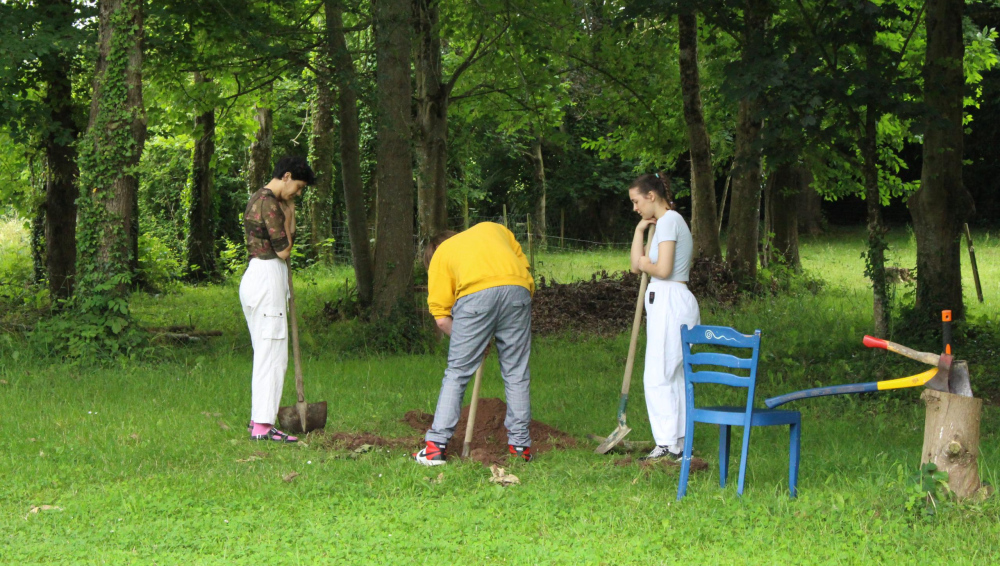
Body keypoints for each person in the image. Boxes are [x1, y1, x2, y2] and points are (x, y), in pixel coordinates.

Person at [413, 222, 535, 465]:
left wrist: (469, 340)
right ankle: (521, 448)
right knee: (516, 372)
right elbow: (521, 267)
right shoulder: (493, 229)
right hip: (518, 290)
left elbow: (441, 318)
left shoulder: (441, 255)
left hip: (475, 298)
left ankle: (435, 448)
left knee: (457, 372)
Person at [240, 156, 316, 442]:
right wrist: (289, 215)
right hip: (267, 277)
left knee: (267, 352)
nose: (298, 192)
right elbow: (284, 250)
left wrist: (290, 210)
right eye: (298, 186)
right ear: (286, 176)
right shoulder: (269, 203)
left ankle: (258, 421)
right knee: (272, 355)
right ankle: (263, 425)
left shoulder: (258, 197)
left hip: (258, 276)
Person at [628, 172, 701, 461]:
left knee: (659, 375)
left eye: (637, 201)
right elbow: (636, 266)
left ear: (651, 195)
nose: (635, 208)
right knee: (670, 374)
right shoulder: (662, 224)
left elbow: (663, 269)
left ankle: (669, 443)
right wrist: (640, 231)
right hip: (664, 301)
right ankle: (678, 442)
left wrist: (648, 263)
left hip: (672, 299)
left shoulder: (670, 220)